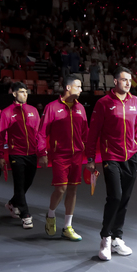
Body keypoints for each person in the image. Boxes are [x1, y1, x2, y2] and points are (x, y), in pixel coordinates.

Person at [85, 67, 137, 260]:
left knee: (124, 199)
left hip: (131, 158)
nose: (128, 83)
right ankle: (105, 238)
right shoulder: (103, 103)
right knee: (115, 197)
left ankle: (117, 237)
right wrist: (91, 158)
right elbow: (93, 132)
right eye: (124, 80)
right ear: (115, 82)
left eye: (130, 80)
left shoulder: (134, 101)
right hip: (111, 157)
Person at [37, 76, 88, 241]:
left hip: (77, 155)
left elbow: (85, 133)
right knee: (61, 189)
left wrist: (90, 155)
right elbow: (42, 132)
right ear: (68, 87)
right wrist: (42, 153)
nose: (81, 90)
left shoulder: (81, 108)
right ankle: (51, 215)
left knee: (73, 190)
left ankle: (67, 226)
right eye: (78, 86)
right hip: (60, 155)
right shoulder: (52, 108)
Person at [0, 82, 41, 229]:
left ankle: (12, 203)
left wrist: (42, 151)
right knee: (19, 183)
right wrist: (0, 156)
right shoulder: (7, 112)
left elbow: (38, 133)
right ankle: (25, 215)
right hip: (16, 154)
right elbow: (0, 135)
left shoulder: (33, 110)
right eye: (21, 92)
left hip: (32, 153)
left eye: (26, 91)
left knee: (27, 183)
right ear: (14, 94)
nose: (25, 94)